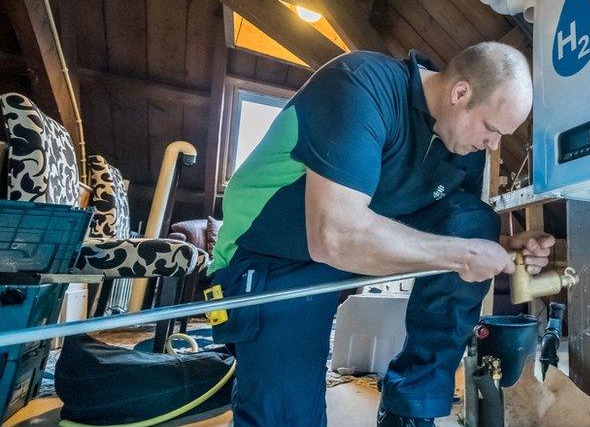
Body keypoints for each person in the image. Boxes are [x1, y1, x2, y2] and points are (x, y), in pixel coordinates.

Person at [207, 42, 555, 426]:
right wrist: (463, 254)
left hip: (348, 252)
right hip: (272, 256)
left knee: (476, 220)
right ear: (460, 93)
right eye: (491, 129)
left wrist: (502, 248)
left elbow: (454, 230)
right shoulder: (360, 85)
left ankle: (409, 407)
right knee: (288, 418)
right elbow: (335, 234)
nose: (492, 145)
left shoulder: (465, 148)